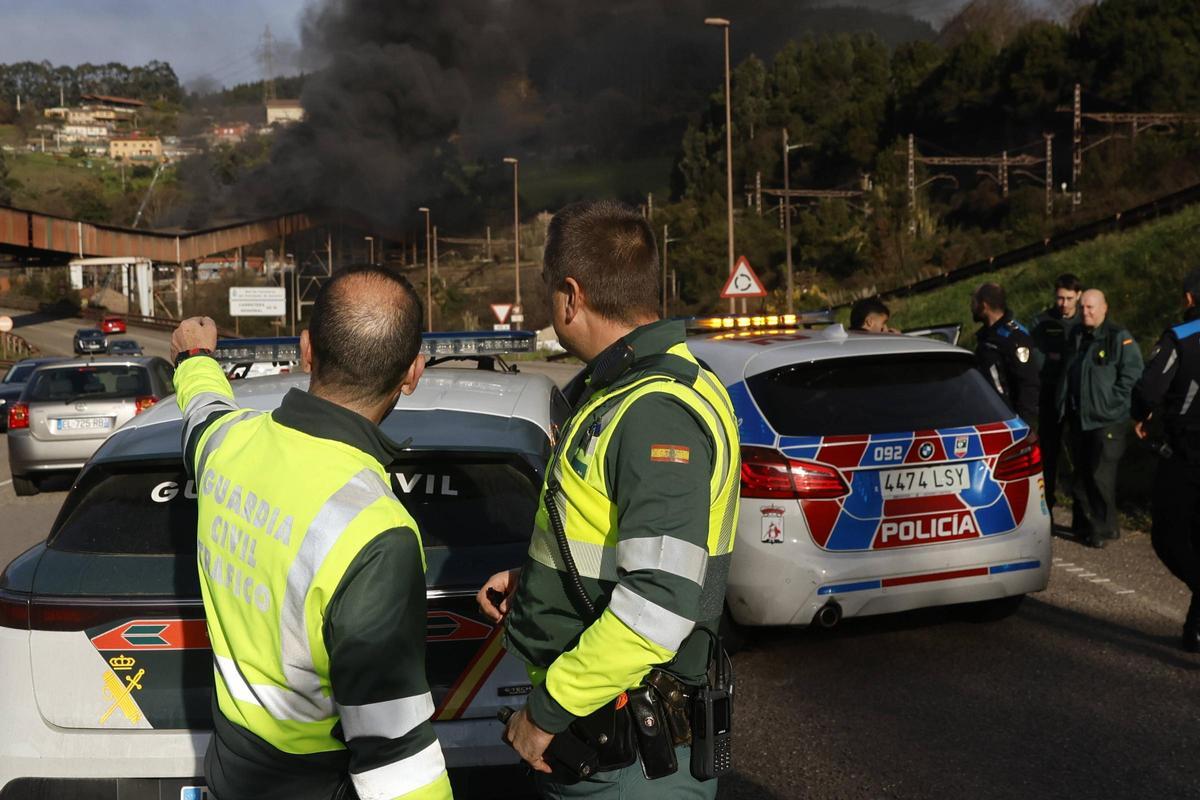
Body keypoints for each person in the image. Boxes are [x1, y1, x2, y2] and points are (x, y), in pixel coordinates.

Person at [476, 200, 740, 798]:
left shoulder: (653, 413)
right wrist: (538, 580)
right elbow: (616, 541)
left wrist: (545, 713)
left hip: (626, 756)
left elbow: (659, 603)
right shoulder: (645, 388)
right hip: (610, 742)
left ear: (571, 295)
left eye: (550, 293)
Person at [170, 266, 452, 800]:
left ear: (305, 349)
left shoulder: (227, 447)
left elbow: (203, 410)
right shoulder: (378, 532)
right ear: (413, 372)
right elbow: (393, 750)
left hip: (231, 771)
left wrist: (195, 359)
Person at [1132, 270, 1200, 652]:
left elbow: (1147, 390)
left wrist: (1142, 414)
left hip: (1186, 456)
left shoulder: (1181, 337)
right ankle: (1195, 630)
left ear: (1189, 299)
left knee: (1168, 537)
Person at [1058, 289, 1143, 549]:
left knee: (1099, 475)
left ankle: (1103, 528)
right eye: (1083, 307)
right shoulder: (1077, 336)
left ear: (1105, 308)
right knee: (1081, 474)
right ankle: (1085, 525)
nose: (1086, 312)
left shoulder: (1117, 337)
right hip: (1080, 418)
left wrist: (1112, 404)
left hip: (1107, 420)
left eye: (1091, 307)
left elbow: (1133, 375)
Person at [1031, 274, 1083, 512]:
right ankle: (1046, 507)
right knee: (1048, 455)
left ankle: (1083, 513)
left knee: (1081, 456)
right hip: (1050, 396)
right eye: (1060, 298)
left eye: (1069, 298)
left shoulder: (1087, 319)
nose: (1063, 303)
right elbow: (1037, 361)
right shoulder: (1042, 322)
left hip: (1078, 398)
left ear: (1078, 296)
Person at [970, 282, 1040, 423]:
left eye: (974, 302)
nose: (971, 307)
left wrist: (1023, 424)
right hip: (990, 416)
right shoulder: (987, 337)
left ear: (984, 305)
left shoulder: (1013, 337)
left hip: (1010, 419)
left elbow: (1028, 382)